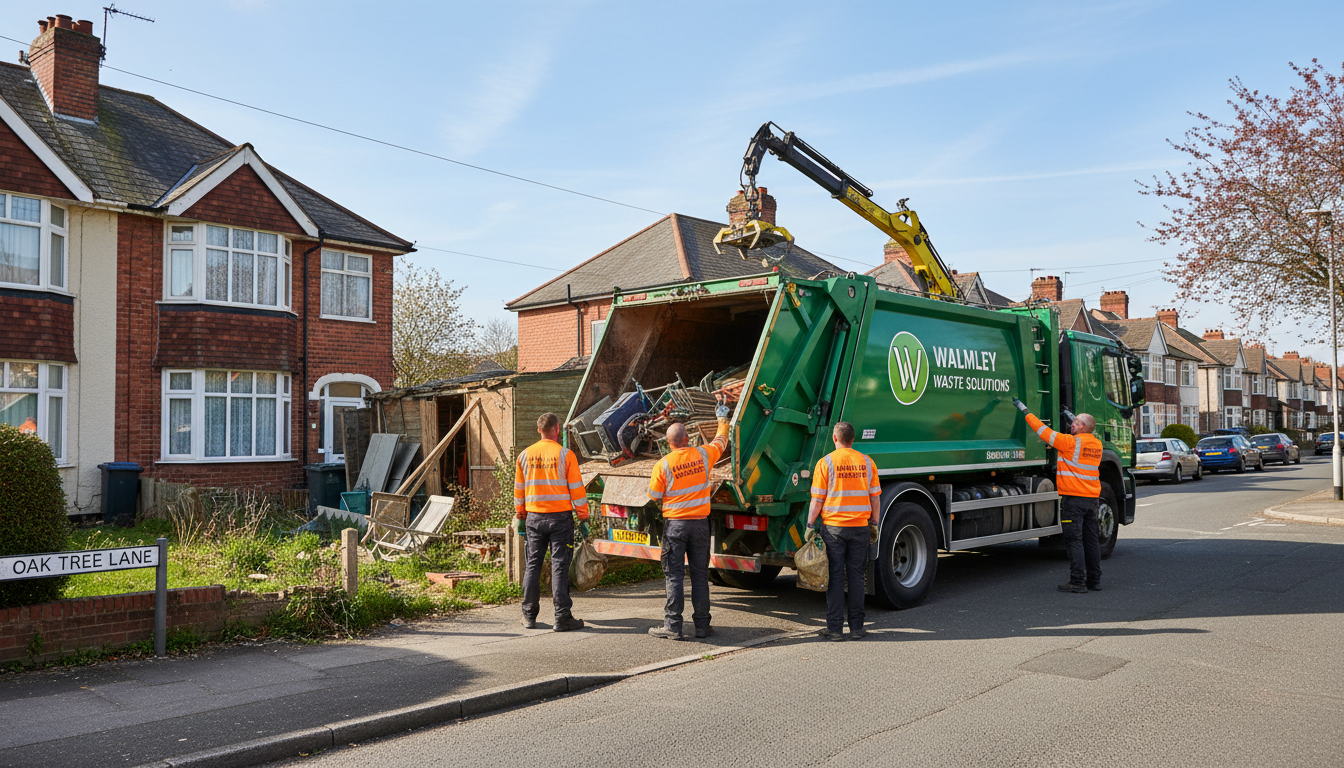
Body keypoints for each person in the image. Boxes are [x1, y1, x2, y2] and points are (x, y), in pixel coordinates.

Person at [646, 394, 731, 640]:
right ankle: (703, 626)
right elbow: (721, 441)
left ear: (669, 443)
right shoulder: (703, 455)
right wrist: (721, 418)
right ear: (688, 439)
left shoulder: (663, 465)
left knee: (674, 576)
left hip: (676, 527)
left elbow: (654, 496)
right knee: (700, 577)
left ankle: (673, 626)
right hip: (700, 526)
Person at [1011, 397, 1103, 593]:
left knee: (1074, 541)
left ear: (1083, 427)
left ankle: (1078, 581)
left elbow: (1044, 432)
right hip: (1091, 500)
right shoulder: (1097, 444)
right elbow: (1083, 430)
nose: (1072, 424)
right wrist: (1071, 415)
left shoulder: (1069, 443)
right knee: (1091, 540)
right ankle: (1094, 580)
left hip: (1074, 501)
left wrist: (1025, 411)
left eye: (1076, 422)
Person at [806, 422, 881, 641]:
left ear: (835, 439)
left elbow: (817, 499)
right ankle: (857, 628)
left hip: (834, 530)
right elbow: (875, 497)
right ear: (853, 439)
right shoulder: (867, 462)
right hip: (860, 528)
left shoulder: (825, 463)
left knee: (836, 577)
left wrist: (810, 526)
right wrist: (874, 523)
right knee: (857, 576)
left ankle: (835, 629)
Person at [514, 412, 589, 631]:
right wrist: (583, 516)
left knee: (533, 566)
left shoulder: (524, 455)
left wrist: (521, 514)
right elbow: (577, 489)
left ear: (539, 430)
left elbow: (519, 489)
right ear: (557, 430)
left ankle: (528, 616)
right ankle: (562, 617)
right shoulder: (566, 455)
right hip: (560, 520)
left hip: (534, 519)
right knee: (559, 567)